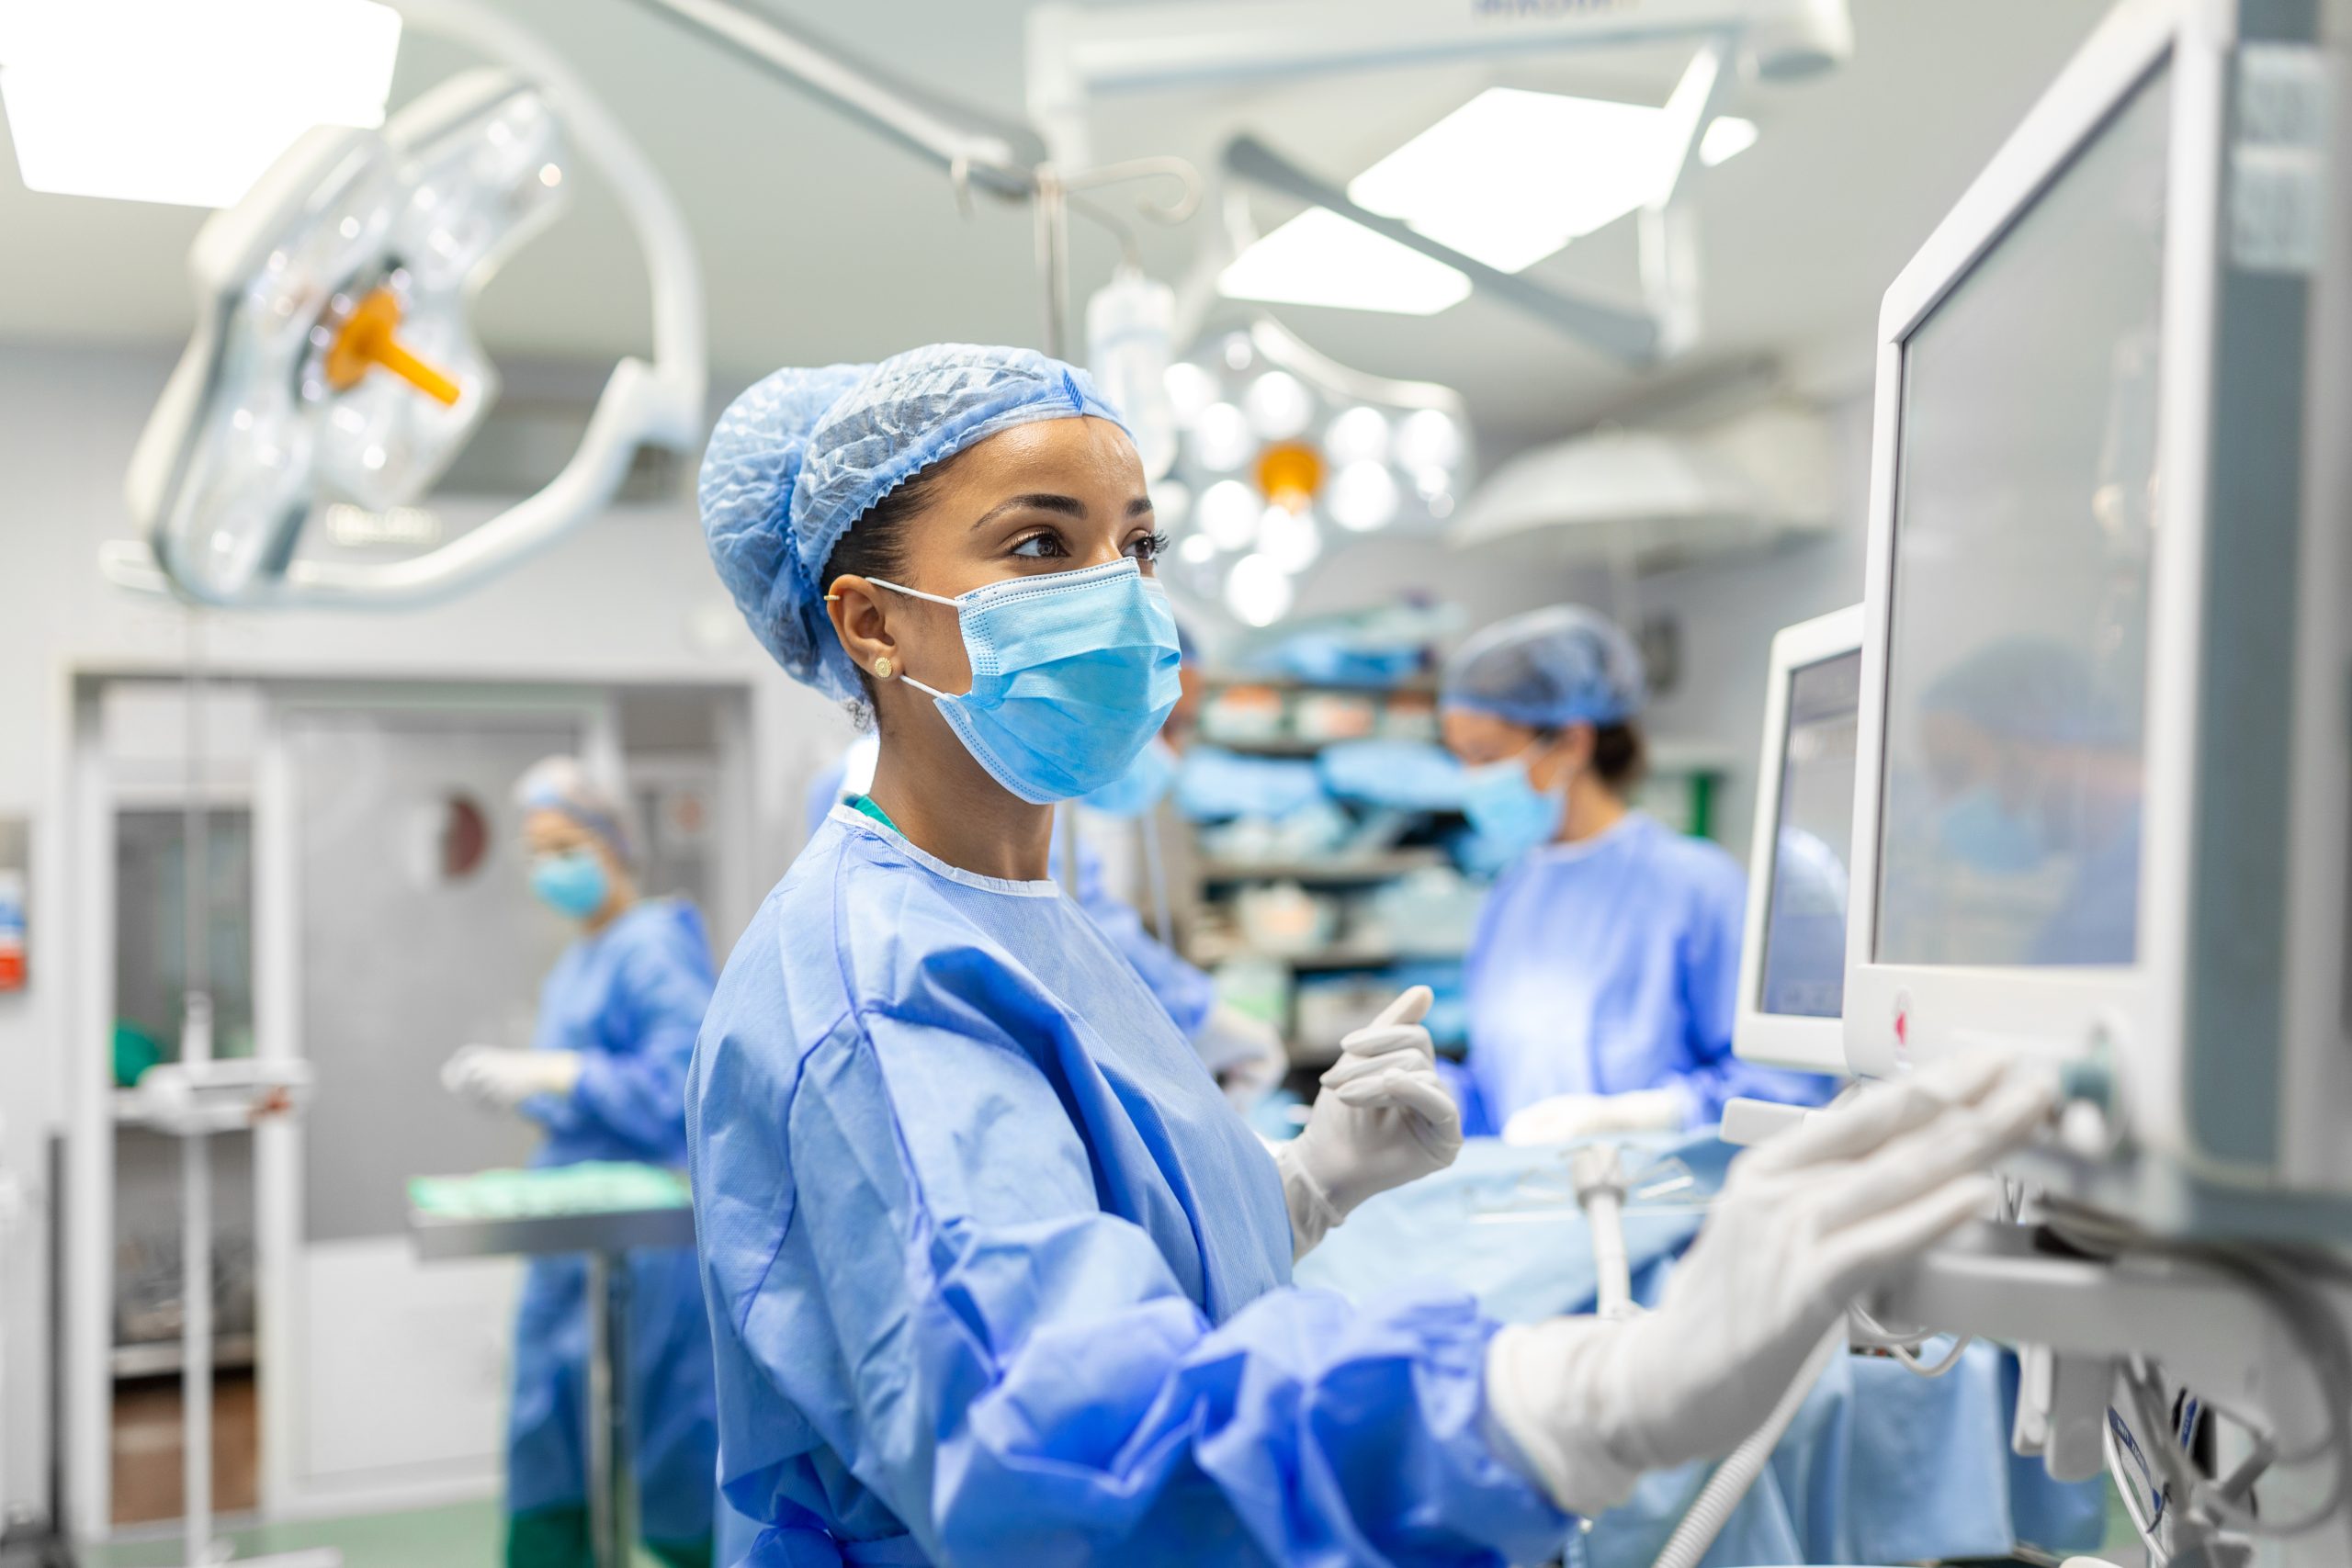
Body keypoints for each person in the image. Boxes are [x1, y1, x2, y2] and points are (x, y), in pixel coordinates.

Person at [688, 343, 2055, 1567]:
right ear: (872, 622)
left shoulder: (1020, 914)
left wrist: (1302, 1186)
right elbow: (1051, 1430)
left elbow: (1092, 1245)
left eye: (1140, 545)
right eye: (1042, 548)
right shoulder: (879, 982)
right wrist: (1585, 1395)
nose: (1118, 596)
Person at [442, 757, 720, 1568]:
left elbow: (682, 1085)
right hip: (573, 1235)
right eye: (536, 852)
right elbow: (595, 1092)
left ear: (612, 844)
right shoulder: (581, 956)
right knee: (548, 1422)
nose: (550, 868)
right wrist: (534, 1091)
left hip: (646, 1243)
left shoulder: (651, 947)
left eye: (566, 846)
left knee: (664, 1433)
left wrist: (562, 1073)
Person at [1438, 606, 1836, 1144]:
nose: (1472, 780)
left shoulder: (1697, 887)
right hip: (1527, 1206)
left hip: (1661, 1210)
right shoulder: (1511, 894)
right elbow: (1501, 1085)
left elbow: (1785, 1086)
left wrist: (1648, 1116)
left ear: (1573, 743)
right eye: (1461, 757)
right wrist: (1432, 1099)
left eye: (1485, 755)